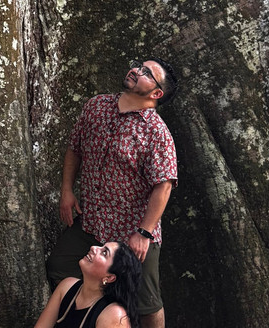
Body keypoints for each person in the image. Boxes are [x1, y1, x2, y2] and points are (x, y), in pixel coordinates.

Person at [45, 59, 178, 328]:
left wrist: (144, 232)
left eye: (146, 73)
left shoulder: (156, 133)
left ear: (156, 93)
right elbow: (75, 148)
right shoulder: (97, 106)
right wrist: (67, 191)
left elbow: (163, 185)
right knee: (60, 267)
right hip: (92, 222)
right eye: (138, 66)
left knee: (147, 303)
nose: (135, 71)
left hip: (134, 235)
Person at [34, 242, 142, 328]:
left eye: (104, 253)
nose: (93, 247)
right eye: (101, 246)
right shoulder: (66, 286)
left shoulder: (114, 314)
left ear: (109, 278)